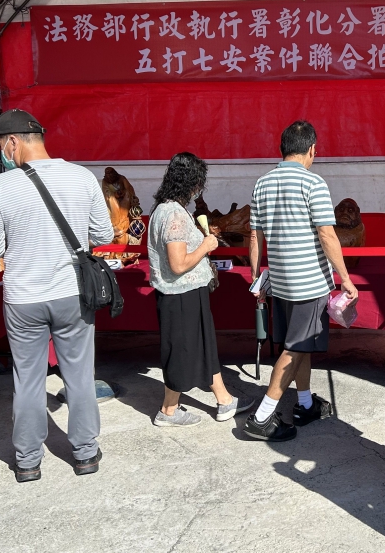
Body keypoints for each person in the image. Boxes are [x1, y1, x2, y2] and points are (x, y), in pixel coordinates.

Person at [0, 110, 114, 483]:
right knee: (80, 376)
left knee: (28, 379)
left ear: (12, 142)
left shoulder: (0, 187)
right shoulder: (82, 176)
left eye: (1, 147)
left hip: (23, 298)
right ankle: (85, 454)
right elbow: (103, 234)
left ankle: (27, 461)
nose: (3, 154)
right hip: (72, 294)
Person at [243, 120, 358, 443]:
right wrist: (345, 278)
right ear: (312, 150)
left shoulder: (262, 184)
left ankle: (305, 404)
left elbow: (254, 236)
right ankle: (262, 417)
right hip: (309, 283)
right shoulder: (314, 183)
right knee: (294, 349)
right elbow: (327, 234)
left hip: (280, 281)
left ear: (283, 149)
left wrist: (256, 277)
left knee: (299, 345)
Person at [147, 152, 255, 427]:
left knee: (202, 347)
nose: (199, 190)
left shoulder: (166, 209)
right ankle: (168, 411)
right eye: (198, 183)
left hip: (186, 292)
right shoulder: (174, 214)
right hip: (179, 293)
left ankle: (224, 400)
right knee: (181, 352)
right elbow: (178, 263)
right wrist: (206, 246)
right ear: (190, 183)